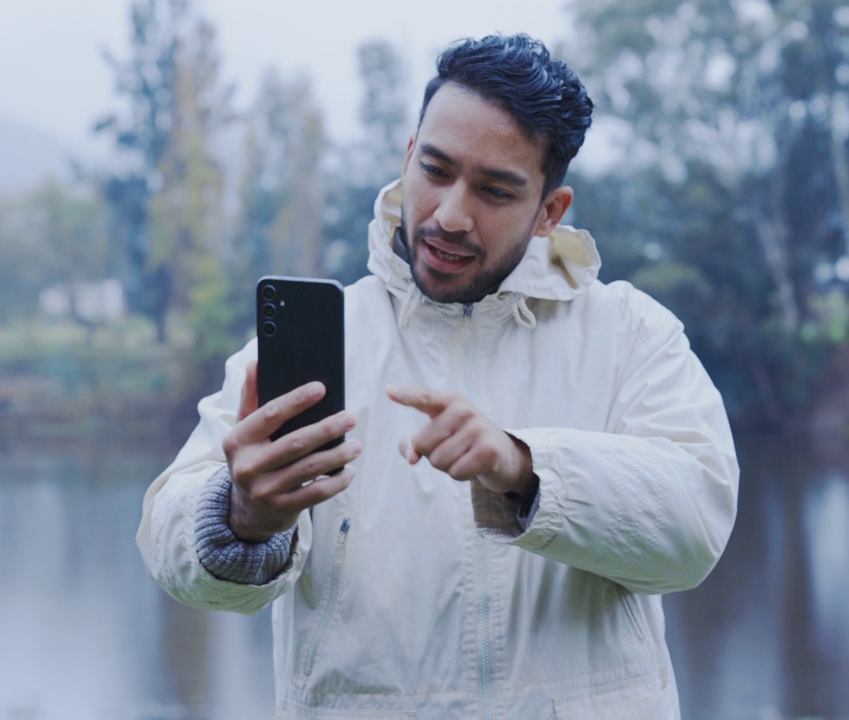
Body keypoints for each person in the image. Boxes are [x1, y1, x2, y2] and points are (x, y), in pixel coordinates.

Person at [137, 33, 739, 718]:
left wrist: (523, 468)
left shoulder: (632, 334)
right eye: (436, 169)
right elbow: (173, 545)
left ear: (550, 212)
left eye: (495, 190)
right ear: (407, 156)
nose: (450, 214)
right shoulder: (321, 340)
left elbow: (695, 530)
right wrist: (246, 516)